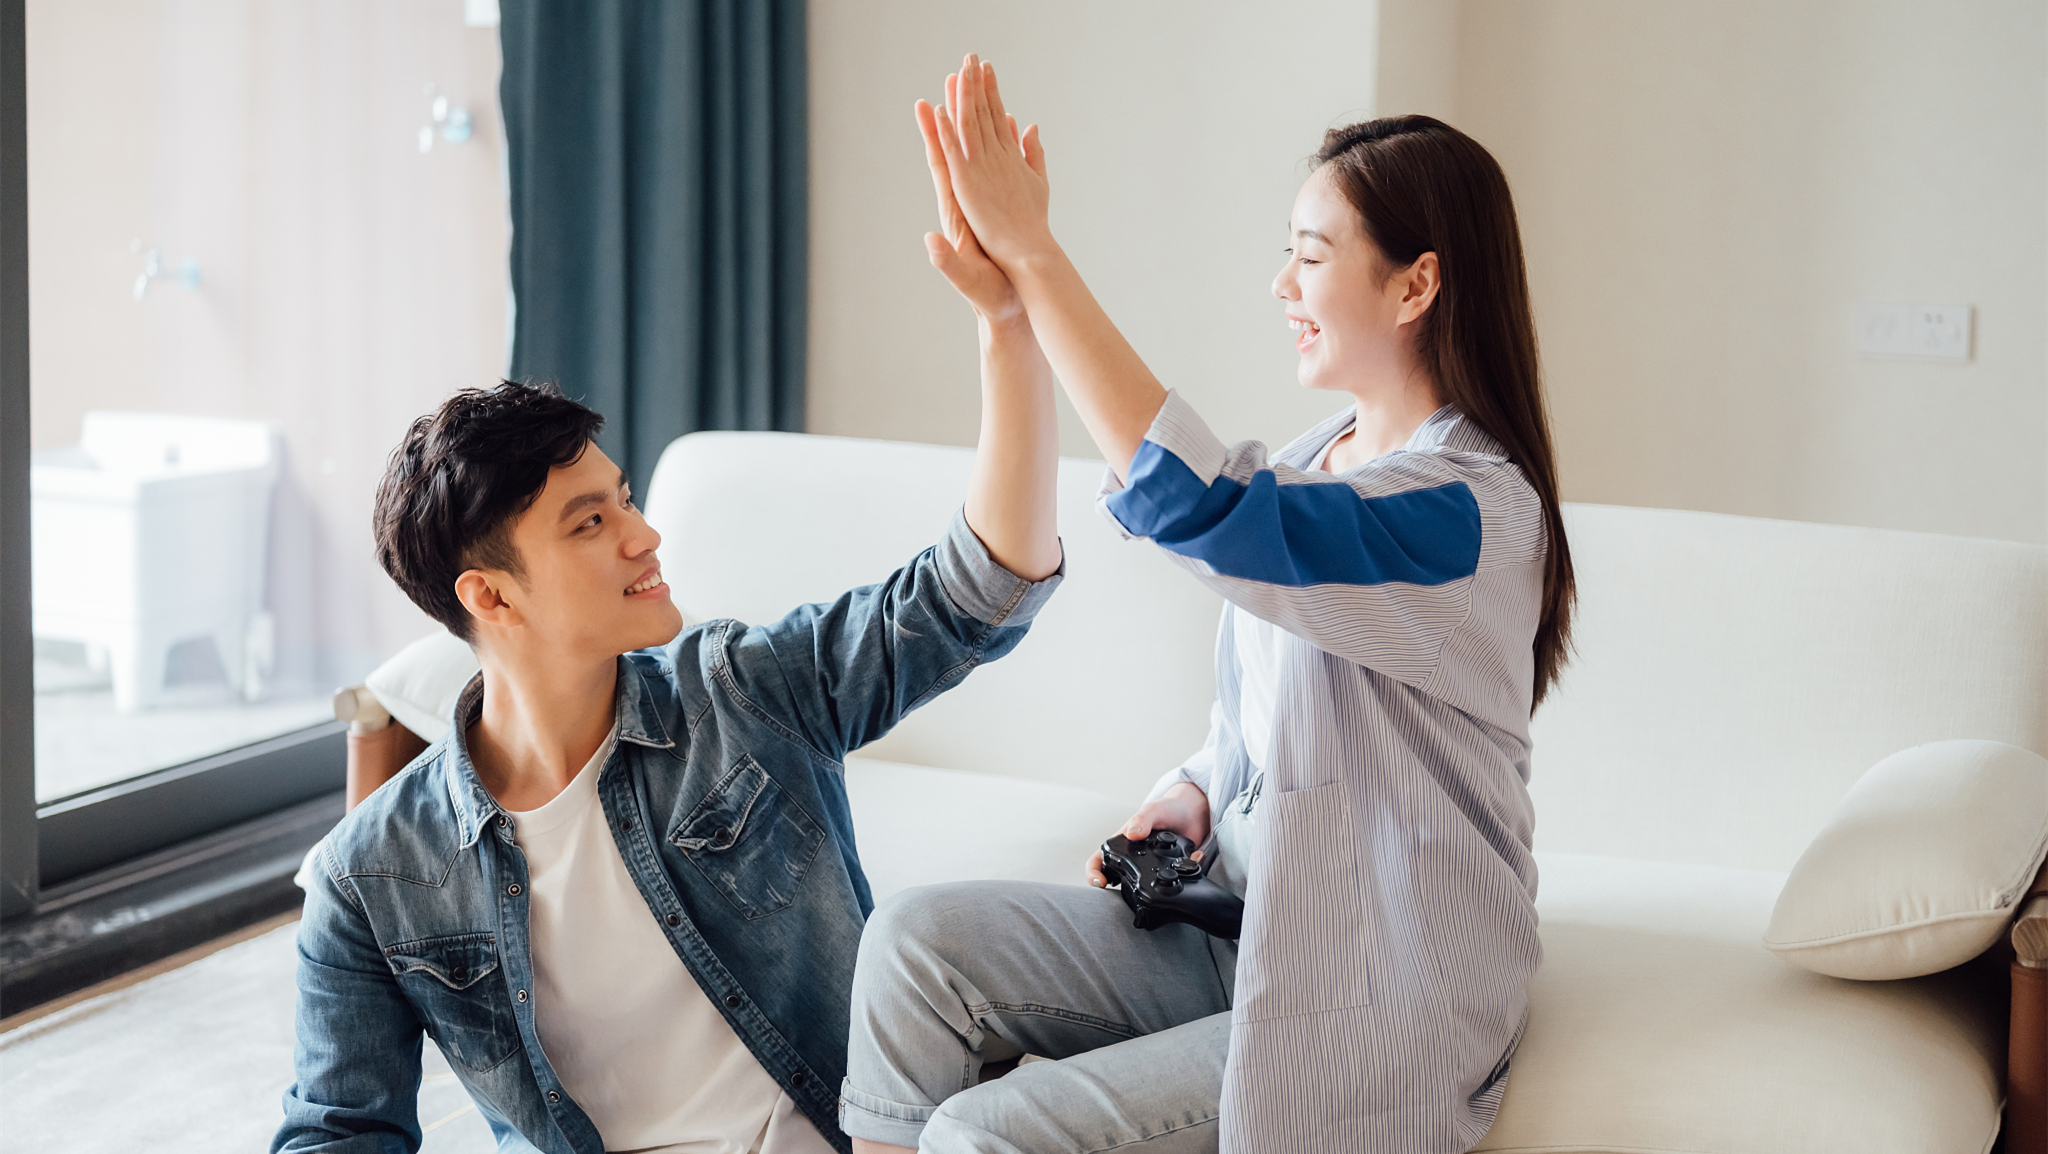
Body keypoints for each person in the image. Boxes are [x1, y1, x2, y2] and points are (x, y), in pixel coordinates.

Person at [838, 58, 1574, 1154]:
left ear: (1414, 285)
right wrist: (1191, 789)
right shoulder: (1318, 459)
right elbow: (1254, 723)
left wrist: (1037, 261)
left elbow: (1202, 505)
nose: (1282, 282)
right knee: (912, 943)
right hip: (1247, 928)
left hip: (1376, 991)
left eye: (1310, 254)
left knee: (983, 1133)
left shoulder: (1466, 510)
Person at [274, 350, 1063, 1147]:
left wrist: (1006, 325)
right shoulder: (369, 880)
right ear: (490, 595)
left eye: (625, 501)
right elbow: (337, 1131)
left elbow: (978, 592)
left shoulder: (742, 692)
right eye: (591, 522)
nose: (644, 535)